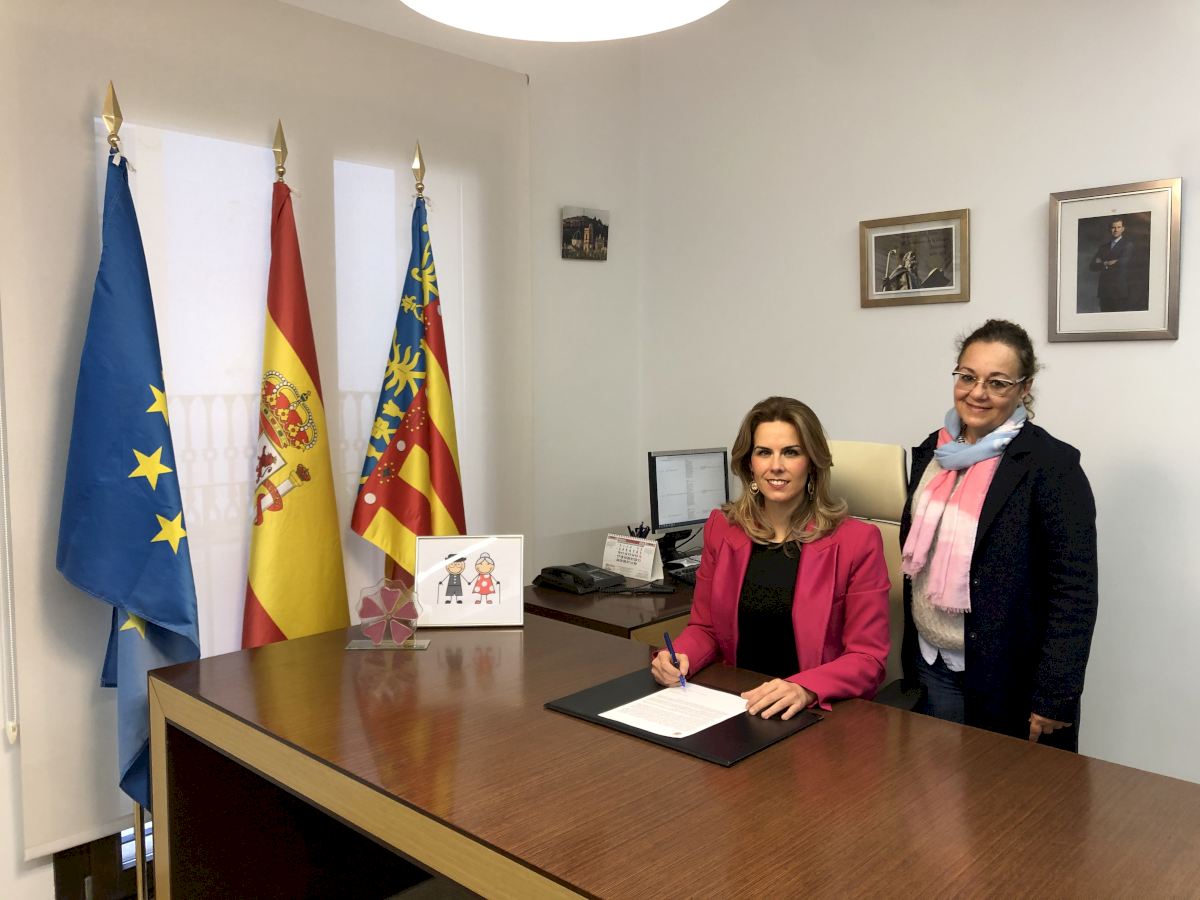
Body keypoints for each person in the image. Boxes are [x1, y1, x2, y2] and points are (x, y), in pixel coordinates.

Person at [900, 319, 1097, 750]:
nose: (977, 393)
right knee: (933, 788)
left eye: (997, 382)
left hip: (1006, 679)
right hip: (930, 661)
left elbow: (1074, 593)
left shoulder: (1051, 466)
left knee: (1001, 792)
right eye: (967, 376)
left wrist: (1055, 696)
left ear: (1025, 388)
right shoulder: (934, 451)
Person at [650, 397, 891, 719]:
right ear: (749, 463)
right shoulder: (722, 528)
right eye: (764, 452)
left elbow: (868, 658)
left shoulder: (856, 542)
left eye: (791, 452)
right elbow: (706, 627)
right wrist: (679, 655)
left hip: (813, 713)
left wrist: (804, 688)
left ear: (812, 463)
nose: (776, 466)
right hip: (737, 704)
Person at [1089, 217, 1133, 311]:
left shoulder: (1127, 245)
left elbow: (1123, 263)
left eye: (1118, 227)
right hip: (1104, 290)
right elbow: (1092, 266)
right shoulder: (1103, 247)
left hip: (1119, 291)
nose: (1116, 230)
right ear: (1110, 229)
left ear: (1123, 229)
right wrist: (1107, 263)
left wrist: (1102, 262)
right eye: (1113, 227)